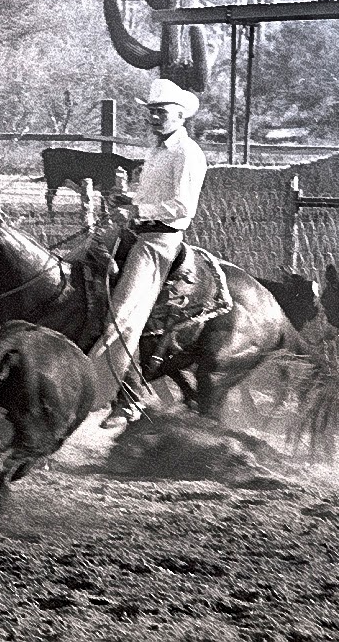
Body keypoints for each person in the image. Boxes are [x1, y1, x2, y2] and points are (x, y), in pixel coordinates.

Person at [89, 78, 208, 428]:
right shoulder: (156, 150)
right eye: (151, 112)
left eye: (162, 112)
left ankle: (126, 397)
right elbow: (150, 198)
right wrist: (129, 201)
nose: (155, 118)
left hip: (160, 242)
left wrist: (138, 211)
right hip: (138, 231)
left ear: (181, 115)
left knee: (122, 313)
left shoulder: (188, 153)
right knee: (83, 269)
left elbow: (183, 206)